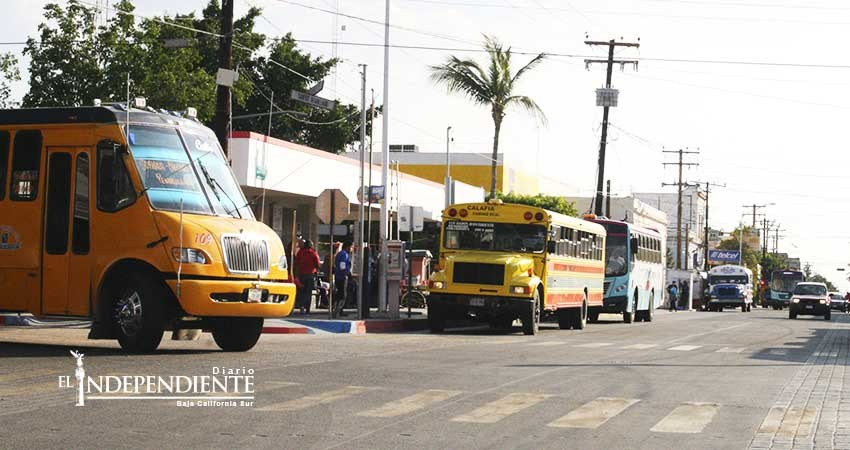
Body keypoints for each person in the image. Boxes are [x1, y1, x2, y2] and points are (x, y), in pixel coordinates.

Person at [294, 239, 320, 314]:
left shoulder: (300, 252)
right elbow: (318, 264)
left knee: (301, 291)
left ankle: (301, 306)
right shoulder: (313, 253)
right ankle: (307, 309)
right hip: (310, 275)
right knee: (308, 292)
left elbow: (296, 262)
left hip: (301, 274)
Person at [334, 241, 353, 316]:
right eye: (351, 247)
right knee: (343, 295)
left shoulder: (339, 254)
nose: (351, 249)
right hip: (342, 277)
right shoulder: (344, 254)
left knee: (339, 294)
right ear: (348, 247)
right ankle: (338, 311)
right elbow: (342, 266)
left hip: (338, 276)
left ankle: (339, 311)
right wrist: (347, 274)